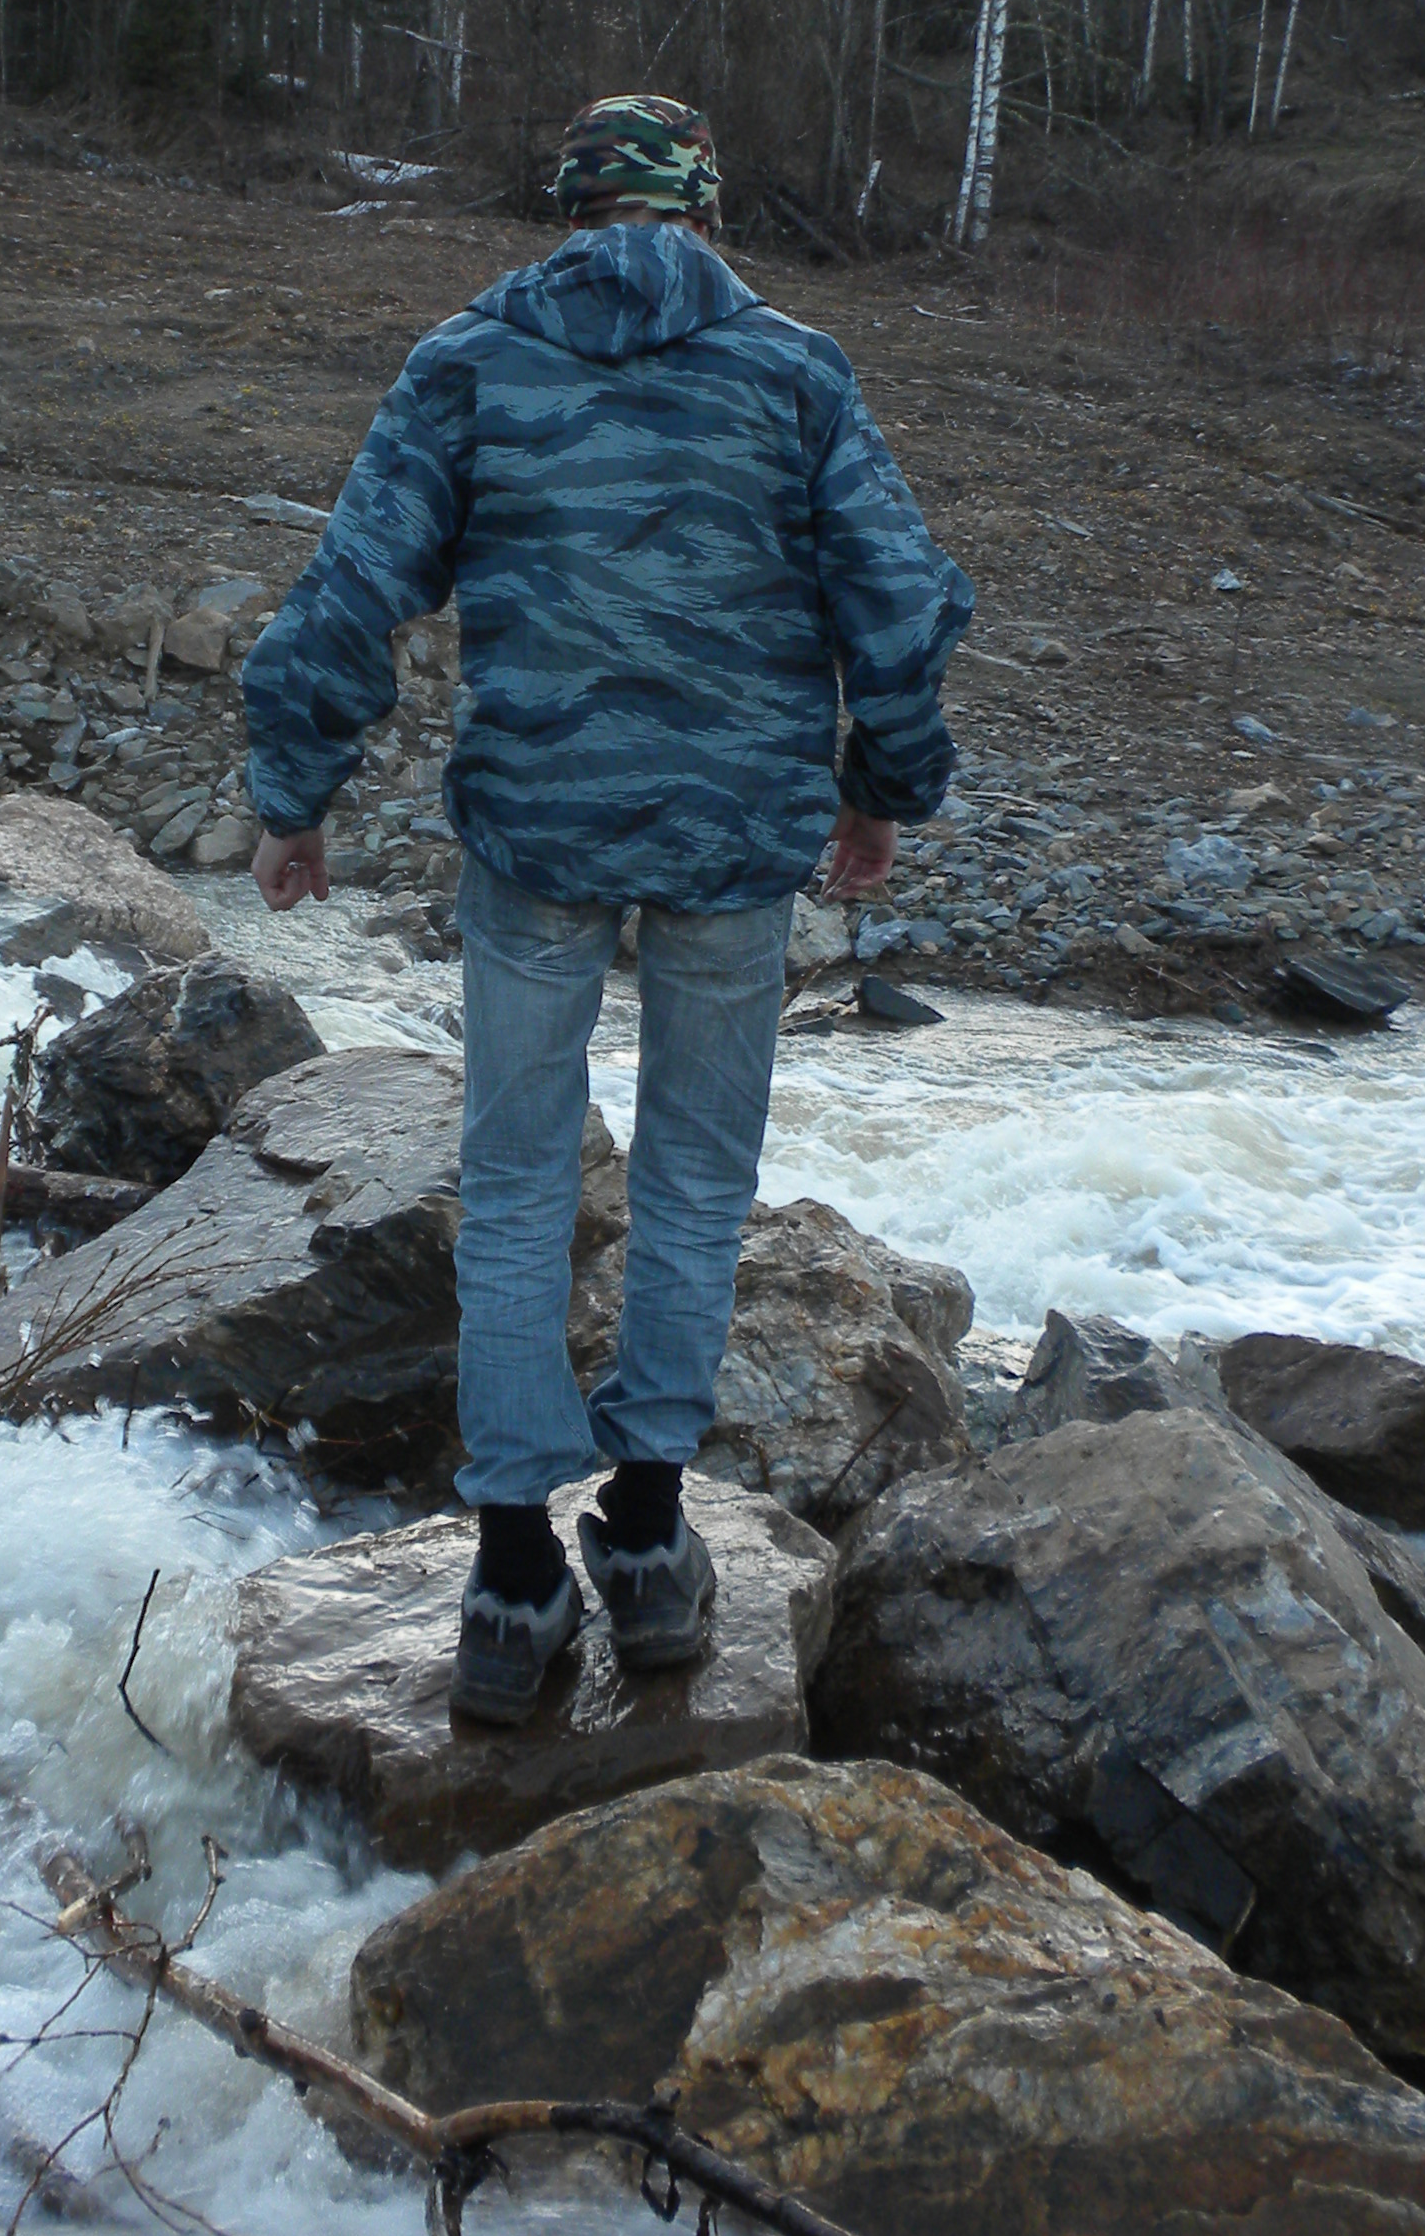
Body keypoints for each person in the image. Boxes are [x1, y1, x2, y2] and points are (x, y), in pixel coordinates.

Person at [241, 92, 973, 1721]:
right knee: (696, 1179)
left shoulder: (472, 361)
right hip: (734, 833)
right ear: (704, 211)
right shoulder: (794, 371)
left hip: (536, 832)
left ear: (571, 210)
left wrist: (296, 794)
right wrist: (883, 789)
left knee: (514, 1183)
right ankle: (646, 1543)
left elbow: (353, 586)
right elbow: (897, 606)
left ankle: (511, 1585)